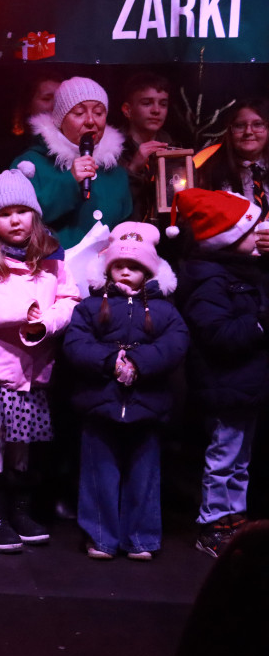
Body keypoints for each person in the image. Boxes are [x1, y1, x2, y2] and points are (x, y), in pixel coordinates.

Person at [0, 163, 80, 553]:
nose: (15, 220)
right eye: (5, 213)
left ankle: (20, 511)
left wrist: (47, 321)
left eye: (22, 211)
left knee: (22, 445)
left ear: (35, 215)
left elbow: (69, 299)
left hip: (33, 370)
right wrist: (21, 310)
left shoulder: (52, 257)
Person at [63, 222, 189, 560]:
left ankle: (141, 539)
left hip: (147, 404)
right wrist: (110, 361)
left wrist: (138, 362)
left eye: (134, 265)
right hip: (100, 403)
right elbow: (76, 343)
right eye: (119, 264)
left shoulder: (165, 309)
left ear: (148, 270)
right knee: (98, 475)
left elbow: (175, 344)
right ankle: (101, 537)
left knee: (144, 476)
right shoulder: (90, 306)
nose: (125, 271)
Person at [169, 188, 269, 558]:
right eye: (251, 229)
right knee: (223, 459)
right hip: (225, 384)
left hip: (246, 384)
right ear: (228, 238)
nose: (260, 234)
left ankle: (235, 520)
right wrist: (261, 321)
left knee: (240, 461)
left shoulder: (245, 271)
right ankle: (212, 525)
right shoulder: (209, 280)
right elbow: (219, 335)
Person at [12, 76, 132, 248]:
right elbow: (15, 221)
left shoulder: (116, 172)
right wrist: (70, 180)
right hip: (50, 263)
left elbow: (126, 228)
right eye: (79, 113)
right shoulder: (31, 164)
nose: (90, 121)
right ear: (59, 120)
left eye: (99, 113)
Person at [197, 98, 269, 213]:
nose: (248, 132)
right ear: (230, 131)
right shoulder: (209, 174)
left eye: (257, 124)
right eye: (240, 126)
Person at [118, 72, 173, 220]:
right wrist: (133, 168)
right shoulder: (112, 152)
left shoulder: (175, 152)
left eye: (163, 104)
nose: (156, 110)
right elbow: (111, 205)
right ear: (127, 110)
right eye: (147, 103)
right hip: (125, 232)